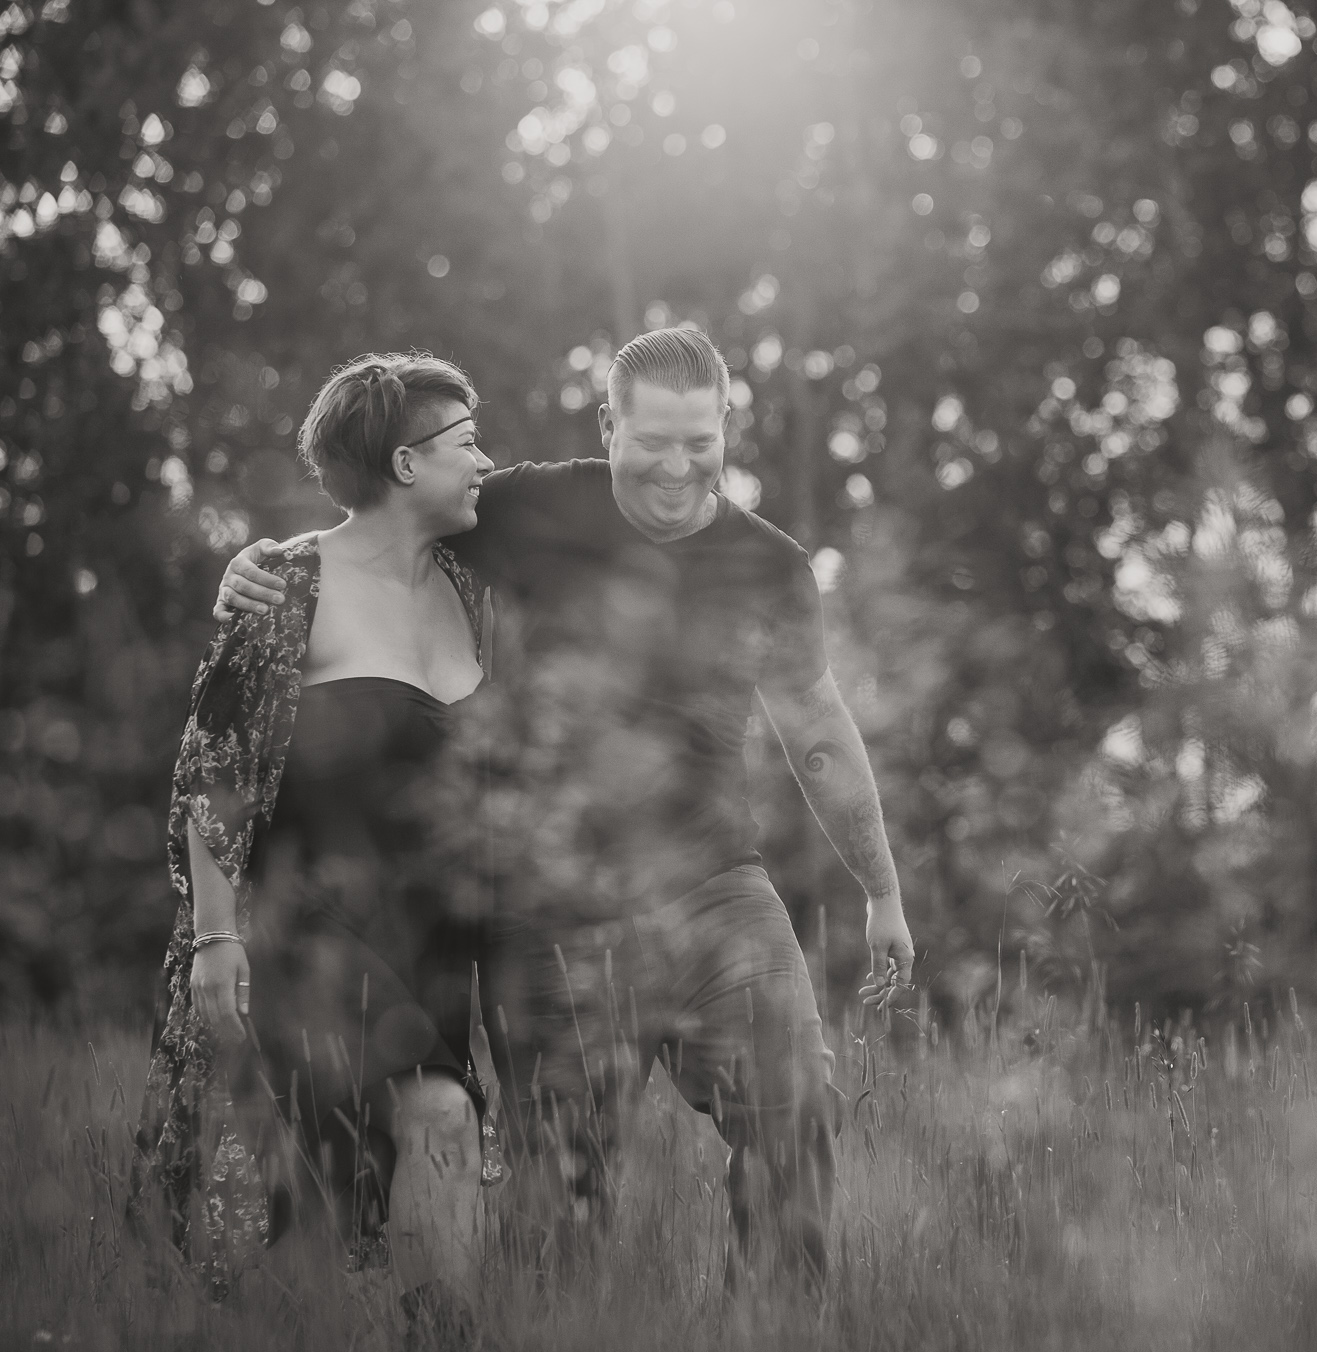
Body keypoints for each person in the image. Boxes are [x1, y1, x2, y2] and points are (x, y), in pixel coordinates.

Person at [212, 325, 915, 1285]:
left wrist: (881, 890)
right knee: (561, 1187)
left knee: (795, 1103)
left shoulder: (770, 566)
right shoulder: (527, 505)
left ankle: (777, 1332)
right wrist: (270, 561)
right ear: (609, 426)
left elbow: (818, 729)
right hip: (551, 908)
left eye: (700, 441)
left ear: (726, 429)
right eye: (653, 440)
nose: (677, 466)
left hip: (717, 889)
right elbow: (384, 521)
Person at [133, 353, 501, 1331]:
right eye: (469, 444)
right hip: (309, 927)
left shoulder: (474, 590)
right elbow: (214, 764)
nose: (487, 464)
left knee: (370, 1183)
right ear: (406, 462)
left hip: (431, 941)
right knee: (437, 1123)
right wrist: (215, 938)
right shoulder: (288, 585)